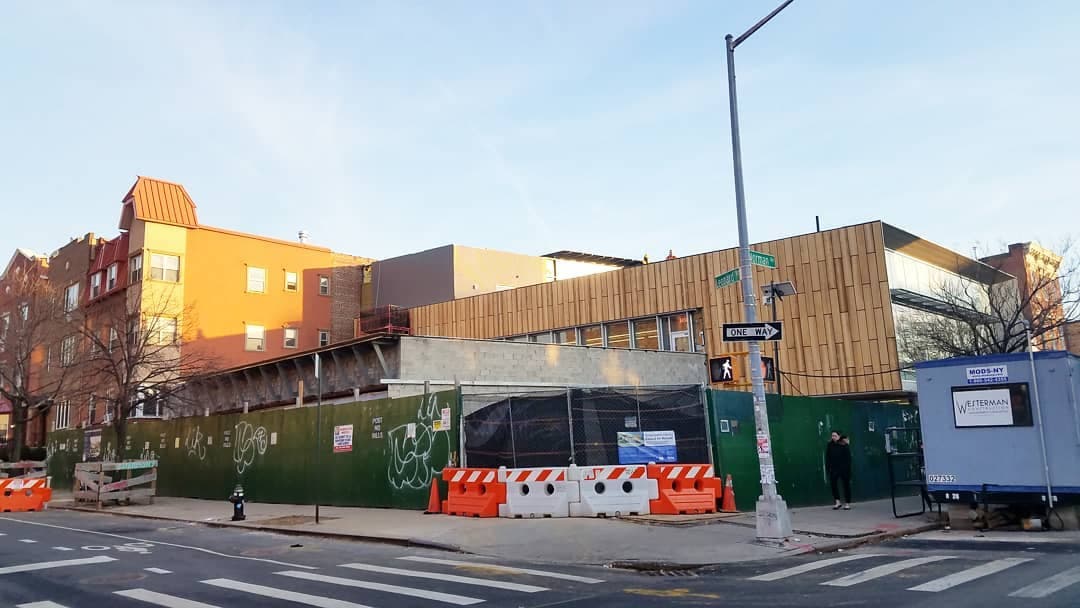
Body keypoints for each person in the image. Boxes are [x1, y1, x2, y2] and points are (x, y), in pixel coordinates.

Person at [826, 430, 852, 510]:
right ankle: (837, 502)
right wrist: (828, 468)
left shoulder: (844, 444)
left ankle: (847, 504)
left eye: (835, 436)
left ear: (839, 436)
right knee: (833, 485)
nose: (833, 437)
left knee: (846, 485)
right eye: (832, 436)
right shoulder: (830, 445)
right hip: (834, 469)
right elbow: (828, 457)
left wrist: (847, 468)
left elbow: (848, 458)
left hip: (844, 469)